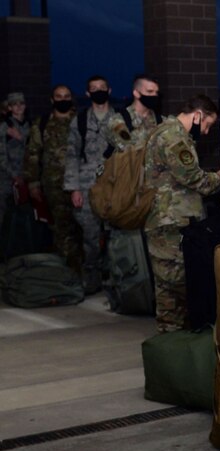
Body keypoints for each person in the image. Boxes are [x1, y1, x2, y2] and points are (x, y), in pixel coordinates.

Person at [143, 94, 220, 332]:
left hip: (167, 221)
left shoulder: (165, 131)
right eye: (207, 124)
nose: (206, 132)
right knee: (176, 292)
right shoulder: (174, 137)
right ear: (198, 115)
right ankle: (173, 349)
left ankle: (173, 347)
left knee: (170, 293)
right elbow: (194, 178)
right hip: (171, 225)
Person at [63, 75, 116, 293]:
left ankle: (116, 279)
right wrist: (74, 187)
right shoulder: (81, 120)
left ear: (109, 91)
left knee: (115, 235)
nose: (98, 91)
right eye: (94, 89)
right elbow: (72, 154)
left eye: (102, 88)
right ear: (87, 94)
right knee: (91, 237)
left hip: (114, 186)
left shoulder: (119, 119)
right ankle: (92, 280)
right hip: (87, 186)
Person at [25, 85, 81, 270]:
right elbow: (33, 154)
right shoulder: (42, 124)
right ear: (52, 100)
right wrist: (33, 183)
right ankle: (65, 271)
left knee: (83, 228)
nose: (63, 100)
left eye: (66, 96)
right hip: (54, 185)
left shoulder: (81, 121)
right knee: (60, 228)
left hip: (80, 184)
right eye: (59, 96)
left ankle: (84, 270)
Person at [105, 74, 162, 152]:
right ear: (136, 93)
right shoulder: (119, 120)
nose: (154, 95)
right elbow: (128, 149)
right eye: (150, 91)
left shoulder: (160, 120)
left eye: (156, 92)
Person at [1, 92, 30, 224]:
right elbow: (1, 155)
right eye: (14, 104)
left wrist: (21, 138)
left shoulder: (30, 125)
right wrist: (14, 175)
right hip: (6, 178)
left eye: (21, 103)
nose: (18, 107)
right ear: (9, 108)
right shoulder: (4, 127)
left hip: (26, 176)